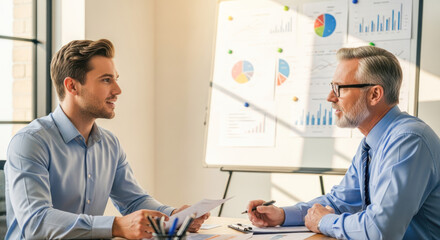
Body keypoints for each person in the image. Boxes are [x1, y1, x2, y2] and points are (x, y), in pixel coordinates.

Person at [5, 39, 209, 239]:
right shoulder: (30, 142)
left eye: (115, 79)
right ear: (72, 86)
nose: (117, 90)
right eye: (106, 80)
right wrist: (116, 225)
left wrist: (173, 216)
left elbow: (134, 201)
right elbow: (36, 222)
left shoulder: (109, 144)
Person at [246, 46, 440, 239]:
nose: (330, 97)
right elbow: (340, 201)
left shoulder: (408, 141)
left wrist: (323, 221)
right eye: (332, 87)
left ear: (374, 94)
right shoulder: (371, 144)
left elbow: (381, 229)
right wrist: (283, 215)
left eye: (339, 88)